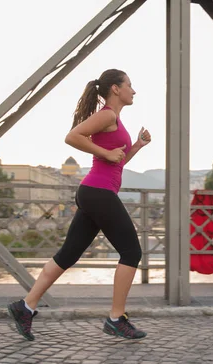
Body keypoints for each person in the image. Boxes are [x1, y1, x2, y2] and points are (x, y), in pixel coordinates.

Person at [8, 69, 151, 341]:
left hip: (95, 192)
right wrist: (106, 152)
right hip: (98, 193)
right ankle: (115, 318)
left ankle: (25, 307)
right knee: (131, 252)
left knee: (68, 254)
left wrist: (137, 146)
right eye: (130, 85)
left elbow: (116, 162)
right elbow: (72, 136)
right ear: (116, 89)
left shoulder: (114, 119)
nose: (134, 90)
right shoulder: (107, 114)